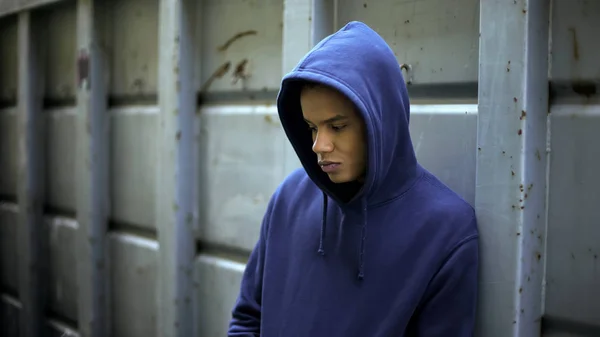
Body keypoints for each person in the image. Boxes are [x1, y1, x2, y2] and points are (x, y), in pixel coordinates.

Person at [228, 21, 479, 336]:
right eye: (311, 128)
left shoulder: (446, 230)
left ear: (380, 121)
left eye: (337, 126)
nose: (319, 146)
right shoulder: (290, 199)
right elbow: (248, 319)